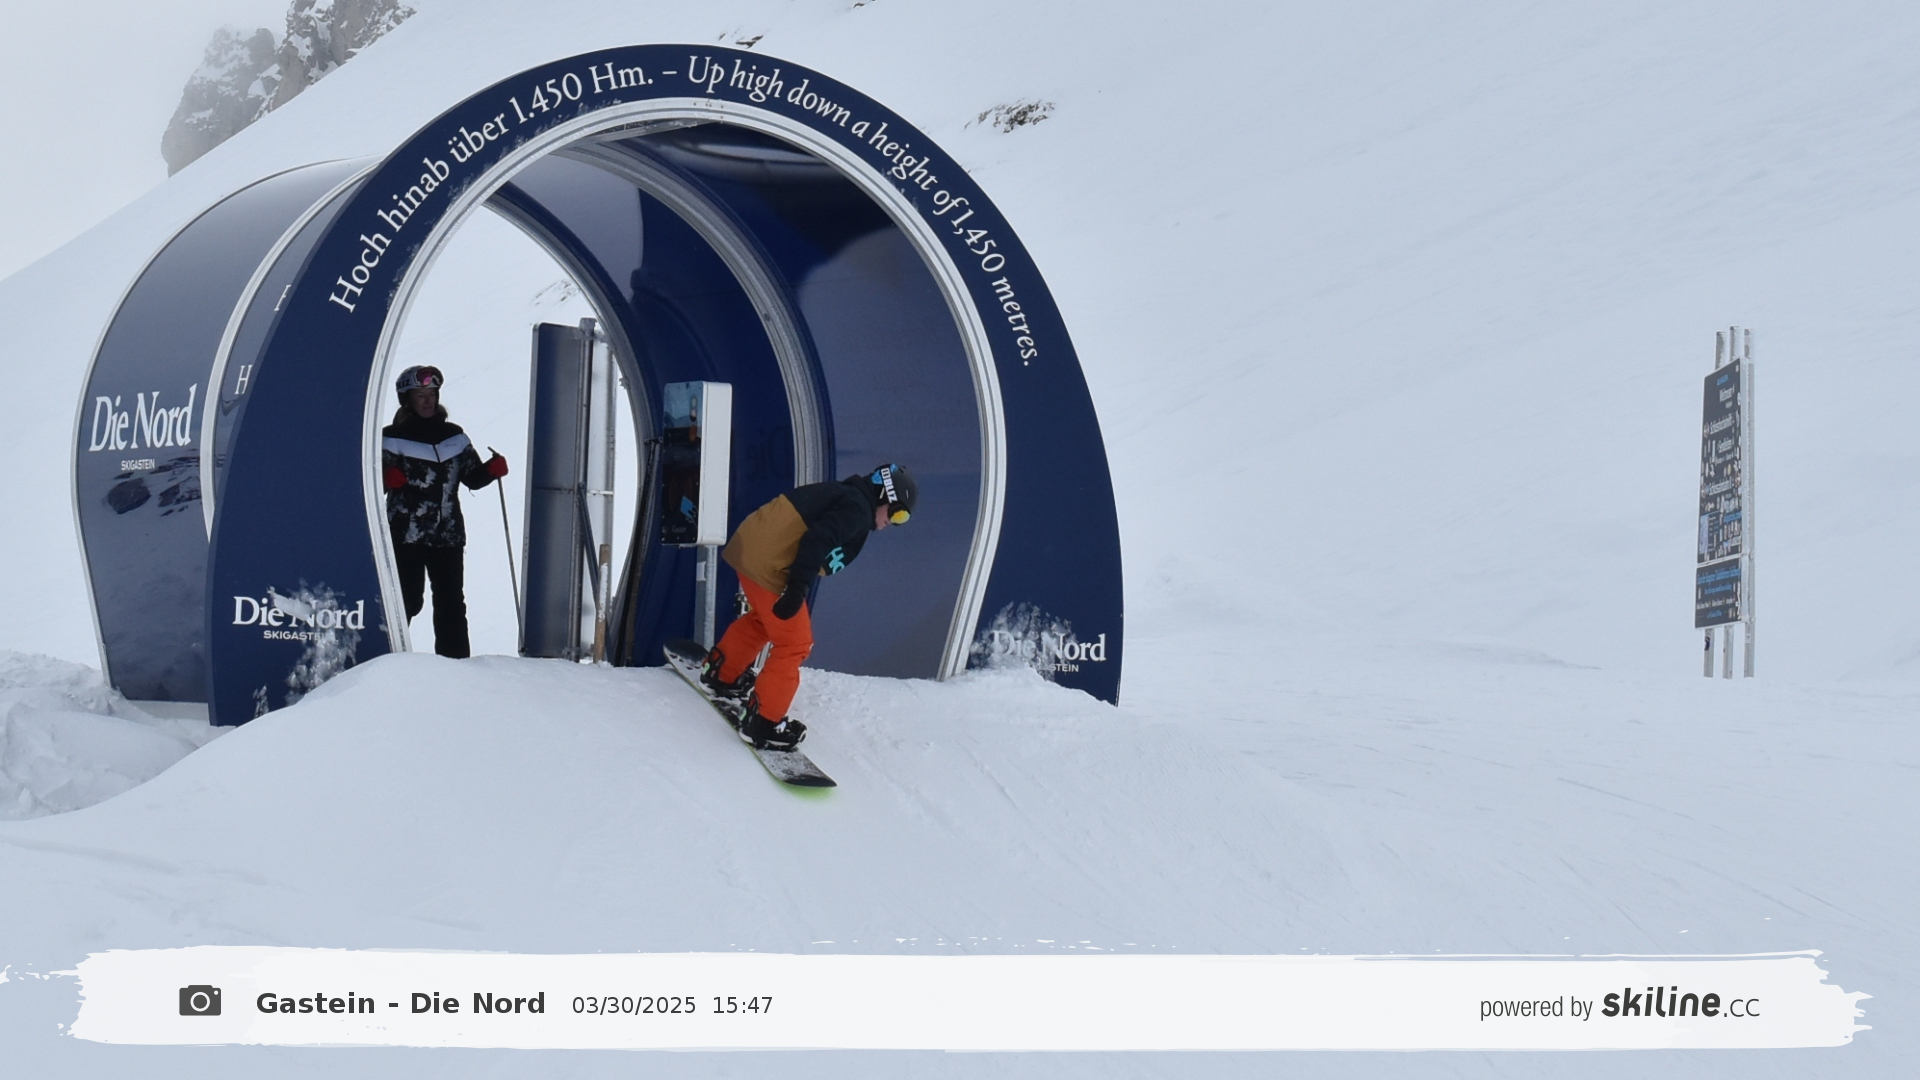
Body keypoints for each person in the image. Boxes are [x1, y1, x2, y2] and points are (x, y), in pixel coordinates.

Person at [701, 463, 918, 750]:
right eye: (897, 513)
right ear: (883, 495)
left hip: (749, 549)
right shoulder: (857, 509)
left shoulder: (844, 494)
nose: (893, 522)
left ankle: (721, 673)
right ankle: (763, 722)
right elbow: (818, 539)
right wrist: (797, 587)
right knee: (795, 643)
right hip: (769, 564)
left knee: (766, 620)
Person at [381, 365, 508, 658]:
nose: (428, 401)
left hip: (448, 533)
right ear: (407, 400)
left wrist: (491, 470)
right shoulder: (392, 437)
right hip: (406, 533)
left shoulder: (454, 437)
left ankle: (456, 665)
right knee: (407, 599)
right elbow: (367, 482)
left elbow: (471, 477)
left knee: (451, 601)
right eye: (420, 395)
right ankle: (387, 660)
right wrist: (385, 478)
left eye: (432, 394)